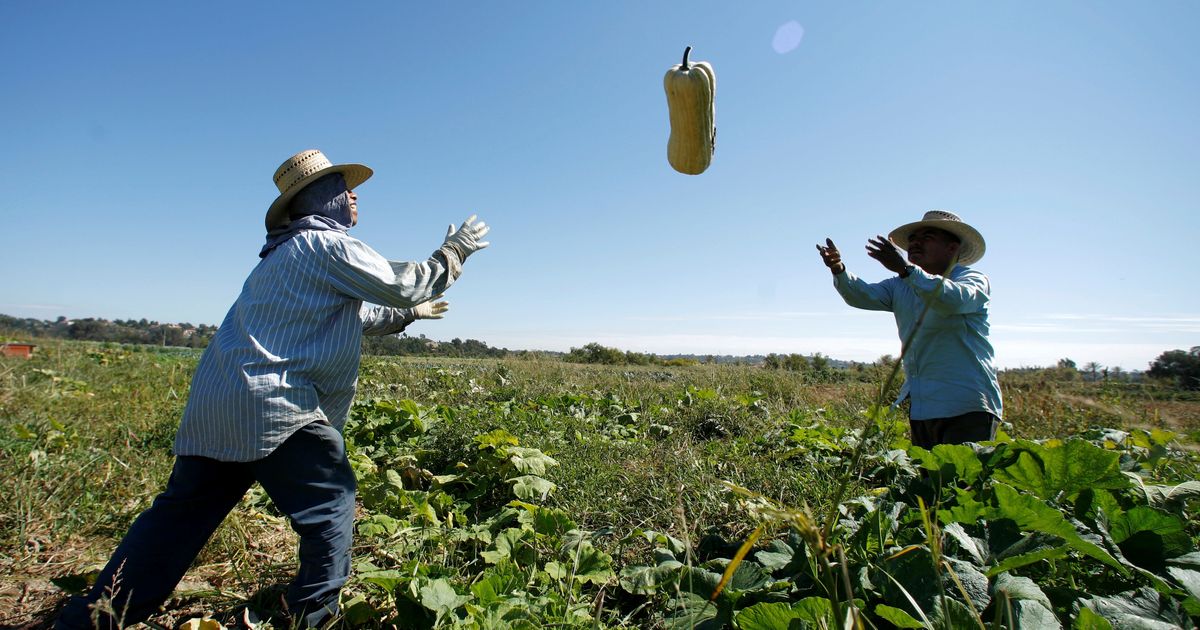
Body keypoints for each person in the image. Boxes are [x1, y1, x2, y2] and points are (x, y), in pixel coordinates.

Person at [55, 149, 491, 629]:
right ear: (317, 198)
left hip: (219, 404)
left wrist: (408, 316)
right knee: (331, 505)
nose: (353, 194)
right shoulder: (329, 246)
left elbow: (350, 317)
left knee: (177, 520)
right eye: (341, 186)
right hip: (277, 404)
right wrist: (454, 252)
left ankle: (93, 619)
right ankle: (313, 615)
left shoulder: (282, 257)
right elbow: (406, 284)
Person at [816, 210, 1002, 449]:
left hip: (967, 405)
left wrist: (905, 270)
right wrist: (838, 268)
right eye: (913, 238)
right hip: (925, 408)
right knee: (929, 483)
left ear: (952, 248)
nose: (915, 243)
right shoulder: (900, 285)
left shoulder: (971, 279)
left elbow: (952, 299)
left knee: (961, 484)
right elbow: (860, 296)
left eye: (927, 237)